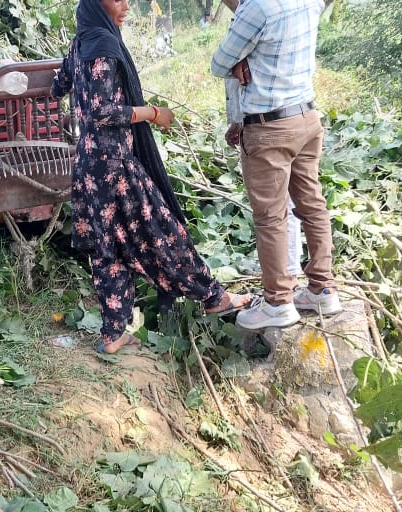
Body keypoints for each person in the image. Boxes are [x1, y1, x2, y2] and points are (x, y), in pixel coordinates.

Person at [52, 0, 252, 354]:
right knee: (163, 232)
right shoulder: (103, 46)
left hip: (88, 164)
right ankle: (213, 296)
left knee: (106, 247)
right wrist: (153, 113)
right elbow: (102, 112)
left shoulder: (82, 41)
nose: (126, 5)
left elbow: (59, 86)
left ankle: (114, 333)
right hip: (114, 164)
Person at [211, 0, 341, 330]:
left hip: (270, 127)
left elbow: (219, 63)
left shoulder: (258, 7)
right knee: (312, 205)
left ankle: (278, 302)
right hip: (307, 117)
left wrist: (238, 58)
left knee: (271, 217)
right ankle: (322, 289)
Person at [224, 70, 305, 278]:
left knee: (275, 208)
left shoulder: (250, 37)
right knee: (288, 203)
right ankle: (301, 275)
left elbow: (221, 64)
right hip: (275, 120)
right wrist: (237, 121)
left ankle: (285, 278)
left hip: (269, 124)